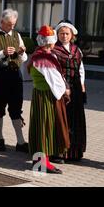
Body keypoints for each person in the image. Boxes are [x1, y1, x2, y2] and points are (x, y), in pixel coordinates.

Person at [27, 25, 70, 174]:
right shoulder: (44, 58)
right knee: (45, 128)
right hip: (46, 96)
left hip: (39, 94)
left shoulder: (37, 55)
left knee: (40, 127)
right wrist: (64, 93)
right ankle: (42, 163)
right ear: (49, 42)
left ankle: (39, 161)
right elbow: (56, 81)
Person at [0, 9, 29, 153]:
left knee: (16, 108)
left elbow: (24, 59)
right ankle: (0, 138)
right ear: (2, 22)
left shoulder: (17, 35)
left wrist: (22, 52)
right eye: (9, 24)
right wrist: (2, 53)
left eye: (14, 24)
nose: (12, 27)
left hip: (15, 76)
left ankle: (20, 141)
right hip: (0, 77)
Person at [52, 20, 87, 162]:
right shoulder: (54, 50)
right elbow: (55, 72)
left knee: (75, 120)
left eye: (67, 34)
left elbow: (81, 69)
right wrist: (64, 87)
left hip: (76, 89)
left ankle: (74, 152)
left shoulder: (76, 50)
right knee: (62, 119)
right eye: (61, 33)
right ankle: (60, 152)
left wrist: (82, 85)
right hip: (62, 90)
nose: (64, 36)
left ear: (72, 35)